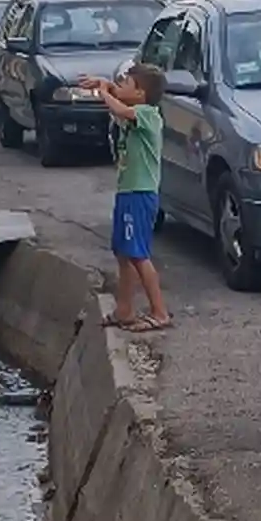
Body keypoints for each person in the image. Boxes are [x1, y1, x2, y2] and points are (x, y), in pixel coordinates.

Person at [90, 61, 170, 331]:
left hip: (140, 193)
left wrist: (104, 91)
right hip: (127, 192)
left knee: (138, 254)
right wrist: (106, 86)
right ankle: (124, 310)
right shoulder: (135, 109)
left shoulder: (148, 114)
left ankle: (160, 312)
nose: (120, 87)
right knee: (123, 253)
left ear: (140, 94)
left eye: (126, 83)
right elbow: (121, 103)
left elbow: (121, 108)